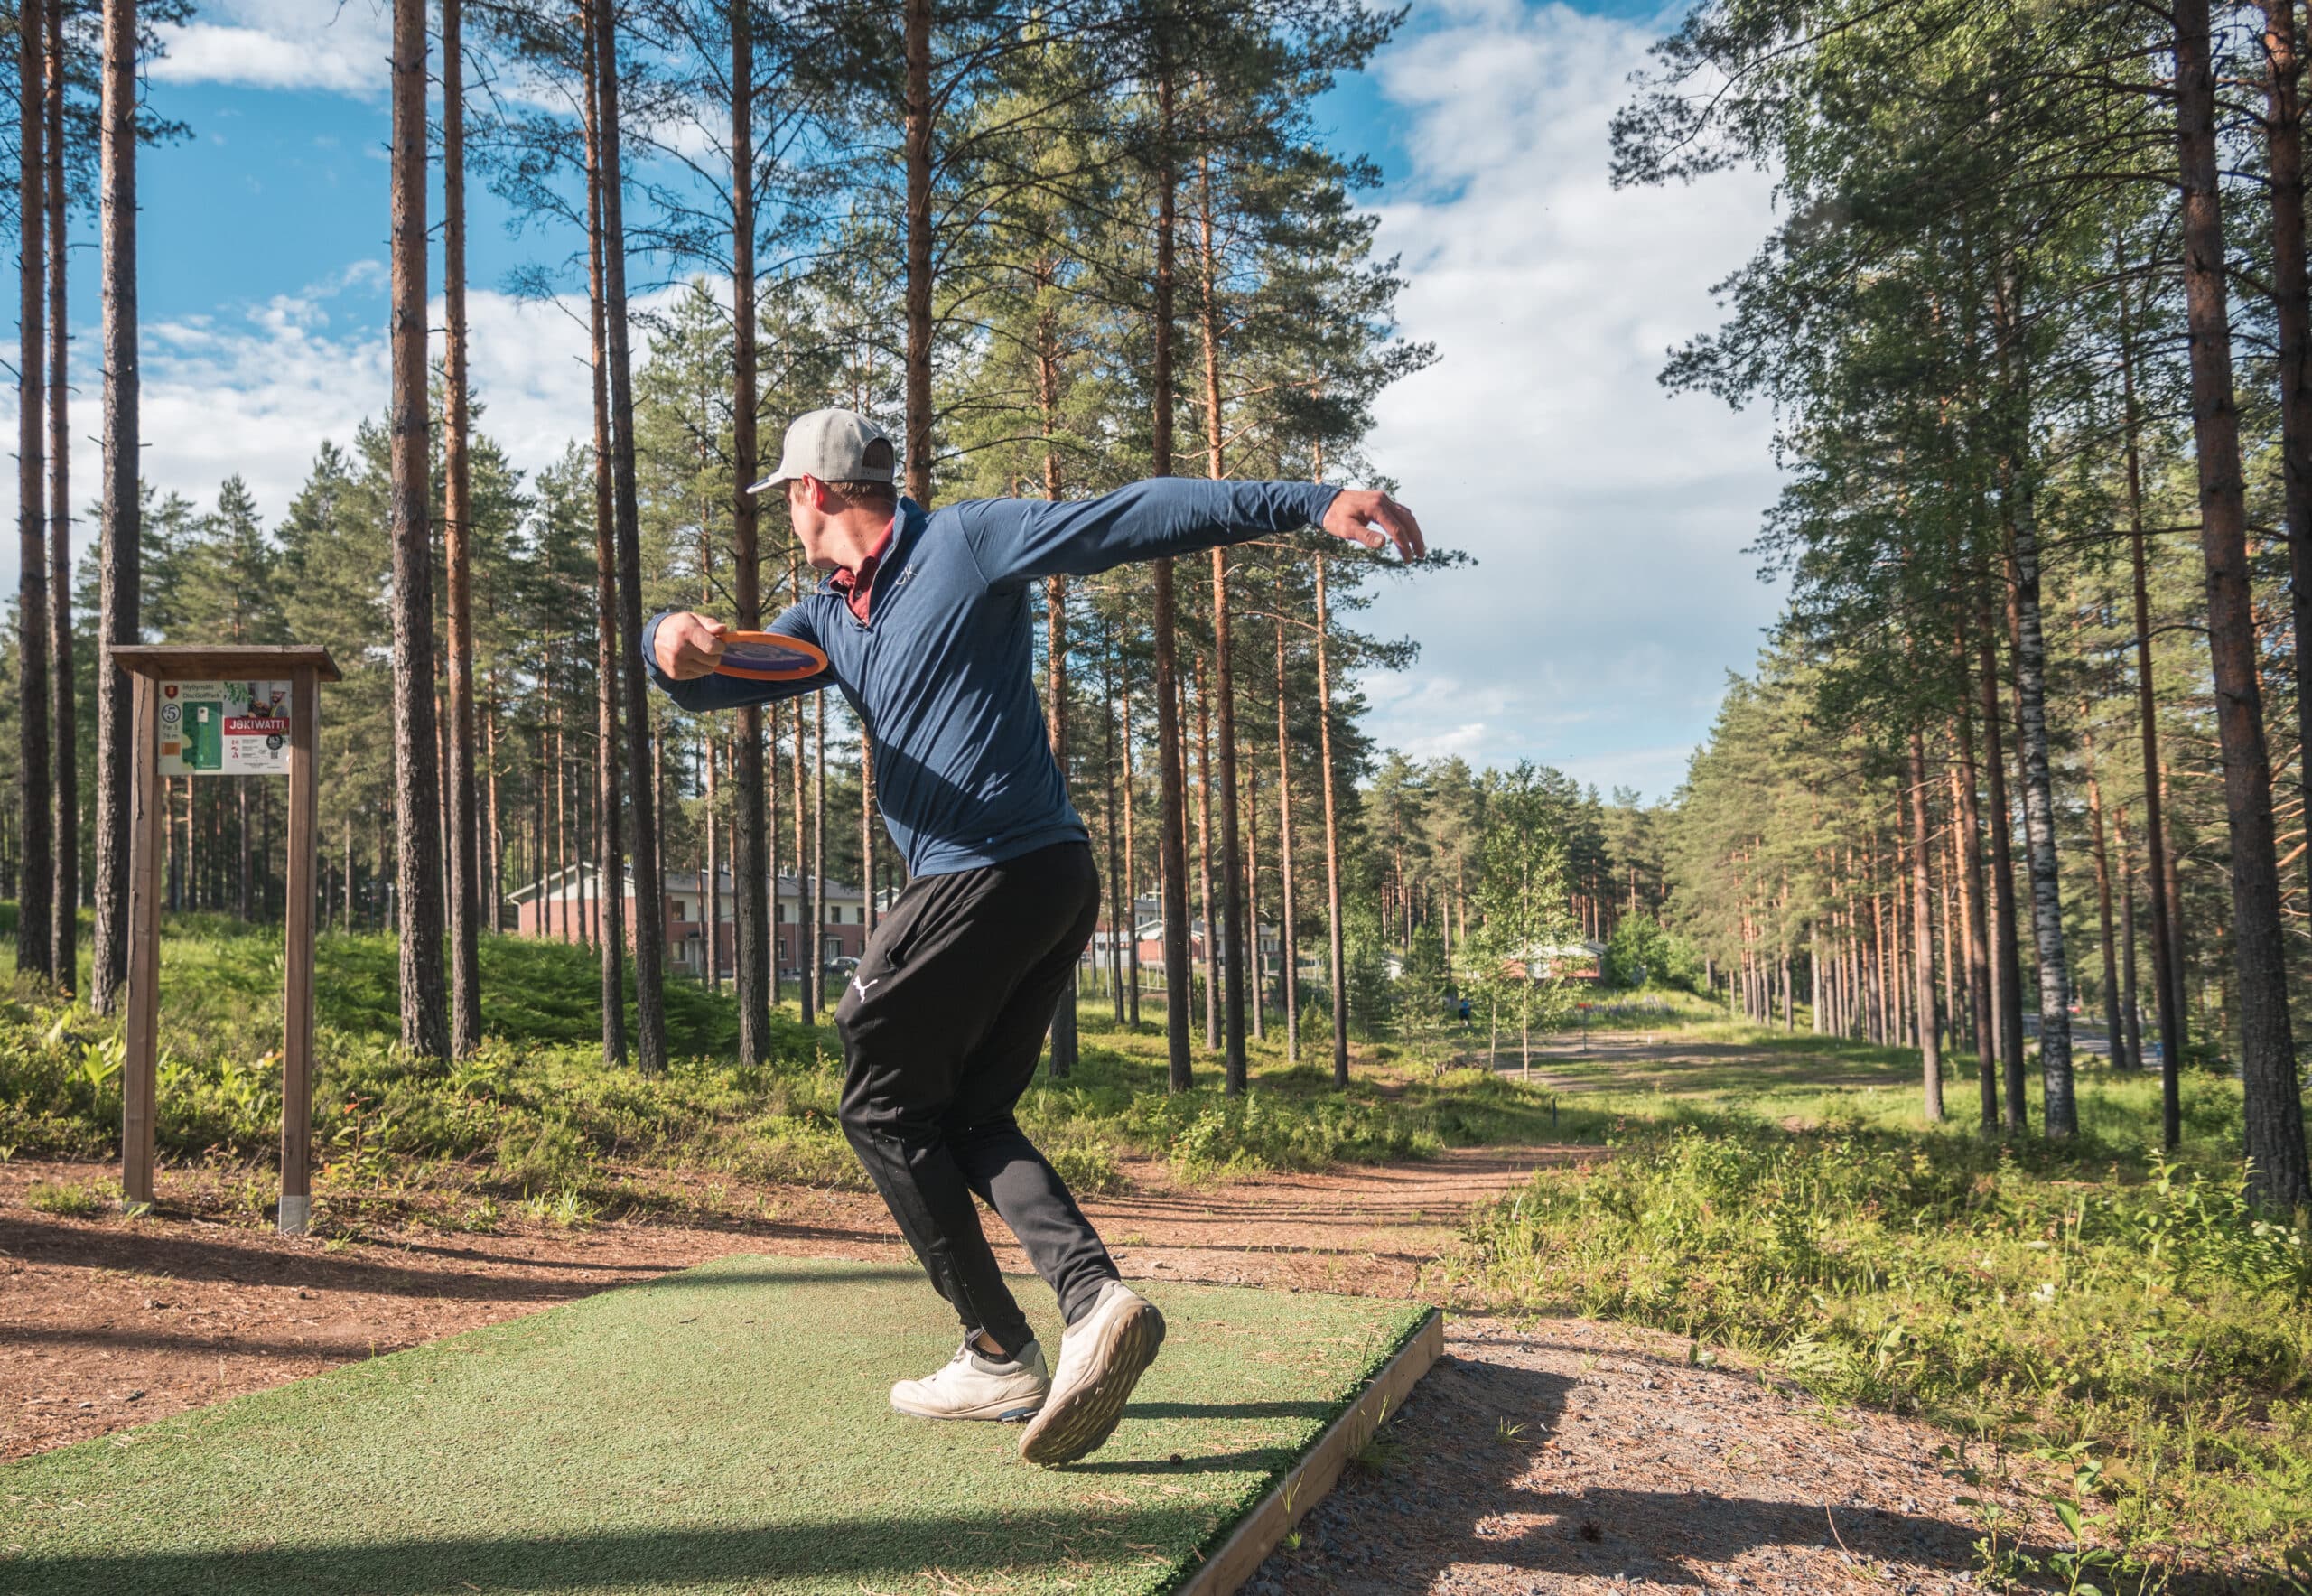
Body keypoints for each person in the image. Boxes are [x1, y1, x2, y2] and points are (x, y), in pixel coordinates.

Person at [644, 407, 1424, 1466]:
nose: (785, 511)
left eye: (784, 495)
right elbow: (715, 678)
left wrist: (1306, 500)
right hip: (1047, 877)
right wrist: (671, 642)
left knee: (875, 1091)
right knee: (966, 1114)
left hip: (995, 868)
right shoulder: (830, 618)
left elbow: (1128, 517)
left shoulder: (960, 543)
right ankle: (1093, 1300)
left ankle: (997, 1348)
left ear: (808, 494)